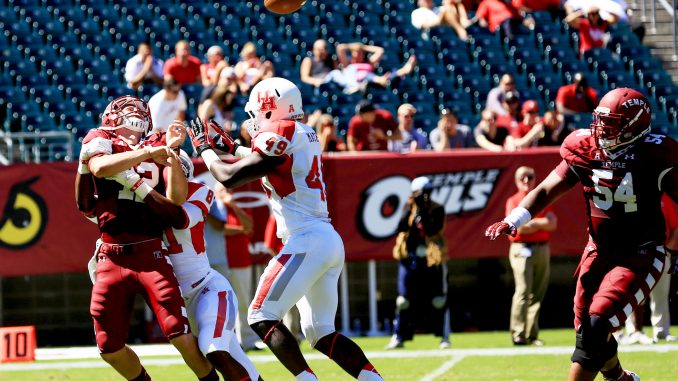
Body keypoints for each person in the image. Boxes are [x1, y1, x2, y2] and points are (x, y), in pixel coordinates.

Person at [186, 77, 385, 381]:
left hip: (306, 239)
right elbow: (275, 162)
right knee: (320, 332)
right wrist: (235, 147)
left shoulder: (280, 132)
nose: (253, 119)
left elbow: (227, 177)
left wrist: (205, 150)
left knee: (260, 315)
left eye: (257, 112)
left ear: (270, 109)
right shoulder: (302, 132)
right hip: (325, 238)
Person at [486, 87, 678, 381]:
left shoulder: (657, 153)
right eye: (601, 120)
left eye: (611, 123)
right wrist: (515, 218)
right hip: (598, 250)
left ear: (634, 125)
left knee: (597, 325)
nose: (602, 129)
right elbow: (548, 188)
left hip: (640, 252)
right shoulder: (585, 146)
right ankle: (620, 378)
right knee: (586, 328)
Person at [75, 96, 217, 381]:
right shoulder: (101, 137)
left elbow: (176, 198)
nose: (132, 114)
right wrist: (146, 154)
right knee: (108, 347)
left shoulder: (159, 141)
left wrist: (172, 154)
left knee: (178, 331)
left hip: (149, 252)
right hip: (110, 255)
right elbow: (100, 169)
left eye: (136, 110)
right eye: (127, 109)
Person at [387, 176, 450, 350]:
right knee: (403, 300)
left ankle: (443, 336)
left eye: (427, 193)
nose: (425, 197)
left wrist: (424, 213)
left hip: (431, 257)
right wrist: (411, 210)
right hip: (410, 257)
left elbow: (433, 230)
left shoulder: (437, 209)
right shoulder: (408, 207)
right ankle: (399, 336)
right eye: (421, 193)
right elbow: (399, 227)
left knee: (438, 299)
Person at [505, 166, 556, 346]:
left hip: (542, 247)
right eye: (523, 178)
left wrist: (532, 224)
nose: (527, 181)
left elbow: (552, 223)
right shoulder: (513, 200)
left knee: (538, 291)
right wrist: (538, 223)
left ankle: (531, 334)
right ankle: (518, 333)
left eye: (530, 177)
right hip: (521, 248)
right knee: (523, 290)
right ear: (516, 181)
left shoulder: (540, 199)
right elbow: (518, 227)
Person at [619, 193, 678, 344]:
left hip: (661, 251)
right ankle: (633, 331)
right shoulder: (634, 197)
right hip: (638, 252)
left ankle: (661, 331)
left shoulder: (665, 199)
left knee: (661, 294)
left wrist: (668, 249)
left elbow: (675, 226)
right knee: (635, 292)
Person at [213, 182, 262, 352]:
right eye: (222, 190)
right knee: (223, 305)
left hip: (241, 262)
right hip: (221, 262)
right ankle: (227, 342)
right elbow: (221, 230)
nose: (226, 192)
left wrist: (233, 205)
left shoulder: (237, 209)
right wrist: (241, 230)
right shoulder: (214, 211)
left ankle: (247, 341)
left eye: (228, 189)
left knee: (243, 302)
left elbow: (249, 226)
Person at [335, 42, 417, 94]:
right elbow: (340, 48)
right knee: (366, 74)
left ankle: (405, 70)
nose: (358, 55)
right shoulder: (348, 64)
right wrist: (355, 46)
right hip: (356, 81)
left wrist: (364, 47)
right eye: (356, 52)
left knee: (393, 73)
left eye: (360, 53)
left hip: (371, 83)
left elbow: (380, 51)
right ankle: (382, 80)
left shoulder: (368, 63)